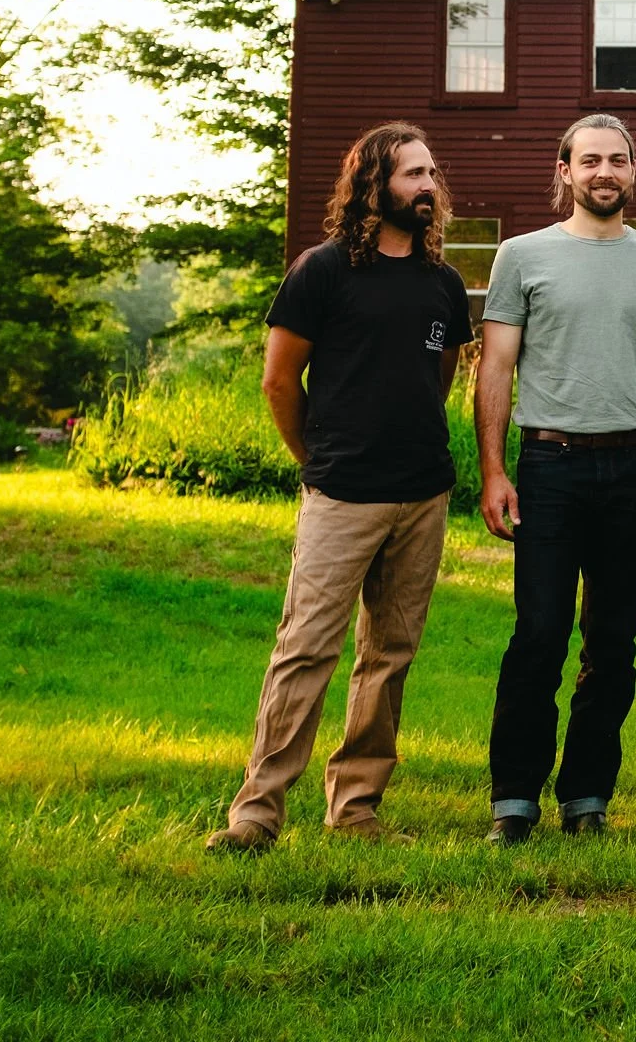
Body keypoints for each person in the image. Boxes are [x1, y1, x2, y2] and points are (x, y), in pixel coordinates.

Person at [205, 122, 472, 852]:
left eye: (431, 174)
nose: (428, 187)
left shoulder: (444, 284)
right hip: (342, 494)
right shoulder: (321, 271)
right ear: (373, 184)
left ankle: (356, 806)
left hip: (423, 495)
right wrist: (317, 458)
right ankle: (257, 811)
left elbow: (438, 382)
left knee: (389, 656)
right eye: (413, 174)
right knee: (306, 648)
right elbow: (278, 380)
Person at [476, 113, 636, 843]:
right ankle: (514, 797)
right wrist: (493, 470)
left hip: (635, 467)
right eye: (591, 160)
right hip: (550, 466)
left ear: (633, 172)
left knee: (612, 642)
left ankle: (586, 798)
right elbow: (497, 365)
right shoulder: (520, 255)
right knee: (539, 633)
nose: (606, 172)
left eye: (619, 161)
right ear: (565, 171)